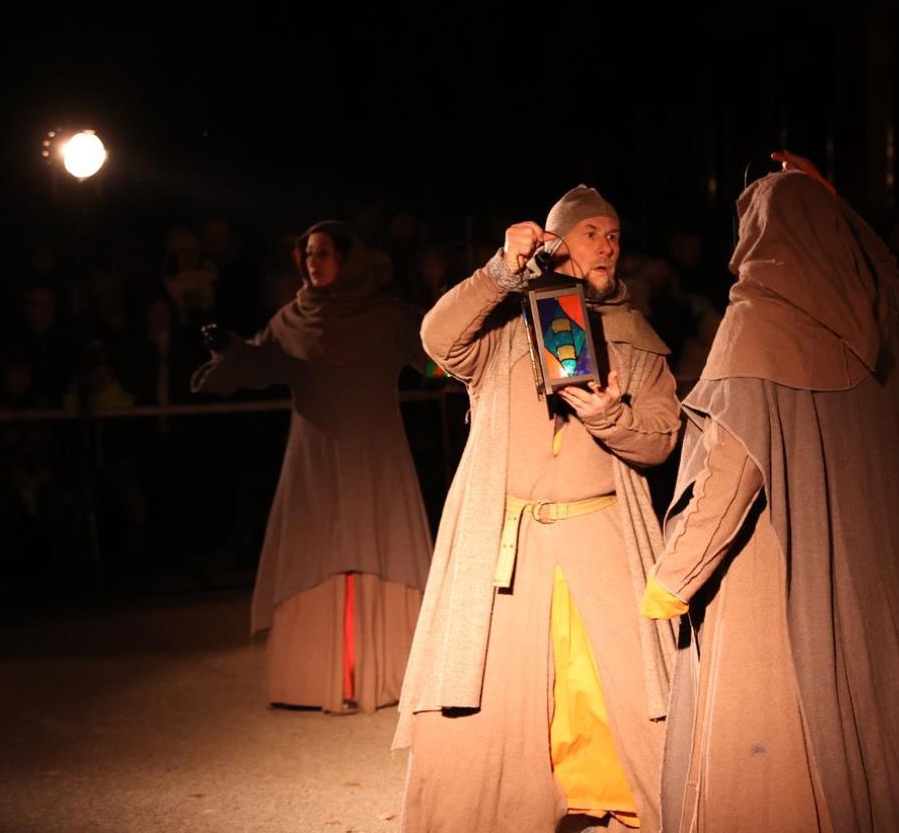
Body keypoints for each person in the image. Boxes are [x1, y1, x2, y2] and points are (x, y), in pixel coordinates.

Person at [642, 155, 899, 832]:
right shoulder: (869, 316)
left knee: (770, 732)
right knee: (846, 706)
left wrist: (672, 579)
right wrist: (832, 201)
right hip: (854, 571)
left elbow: (732, 471)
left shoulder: (755, 324)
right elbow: (888, 271)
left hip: (770, 568)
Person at [396, 185, 681, 833]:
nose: (607, 245)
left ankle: (621, 798)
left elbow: (662, 439)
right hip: (508, 544)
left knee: (626, 688)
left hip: (601, 536)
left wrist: (609, 417)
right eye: (590, 233)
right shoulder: (500, 328)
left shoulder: (635, 339)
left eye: (614, 235)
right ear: (555, 243)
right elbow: (436, 339)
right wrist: (500, 270)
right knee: (494, 691)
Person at [191, 220, 432, 713]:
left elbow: (434, 362)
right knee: (316, 548)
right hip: (314, 457)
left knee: (377, 540)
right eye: (307, 254)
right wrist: (230, 351)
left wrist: (462, 360)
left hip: (375, 455)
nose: (313, 262)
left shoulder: (389, 318)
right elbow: (258, 364)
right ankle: (314, 679)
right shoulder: (291, 320)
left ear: (348, 258)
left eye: (323, 252)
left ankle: (382, 673)